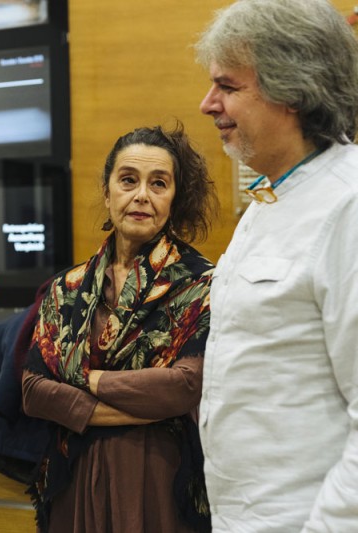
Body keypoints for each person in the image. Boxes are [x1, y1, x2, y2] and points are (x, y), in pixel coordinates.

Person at [195, 0, 358, 530]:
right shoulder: (272, 201)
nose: (207, 104)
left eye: (228, 86)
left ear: (291, 89)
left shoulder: (347, 205)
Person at [21, 124, 218, 533]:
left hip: (158, 478)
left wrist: (82, 379)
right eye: (128, 180)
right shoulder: (67, 287)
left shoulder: (201, 283)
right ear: (108, 191)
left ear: (174, 198)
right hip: (73, 473)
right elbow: (33, 390)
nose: (142, 195)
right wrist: (134, 404)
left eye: (158, 183)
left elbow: (183, 387)